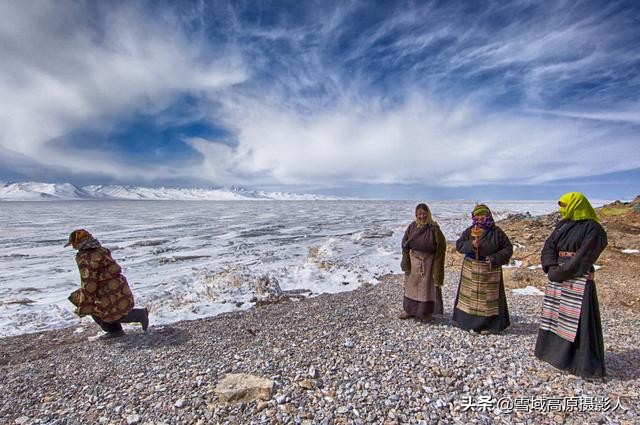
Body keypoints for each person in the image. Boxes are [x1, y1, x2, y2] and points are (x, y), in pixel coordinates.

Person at [535, 192, 607, 379]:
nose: (561, 210)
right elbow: (549, 245)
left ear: (576, 205)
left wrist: (560, 272)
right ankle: (554, 354)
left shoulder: (594, 229)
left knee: (577, 321)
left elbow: (584, 256)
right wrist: (550, 266)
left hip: (577, 278)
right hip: (558, 275)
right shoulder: (563, 225)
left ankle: (580, 363)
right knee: (556, 317)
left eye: (565, 206)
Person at [65, 229, 149, 338]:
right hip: (118, 285)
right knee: (115, 311)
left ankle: (121, 327)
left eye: (73, 244)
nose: (73, 247)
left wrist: (85, 303)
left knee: (99, 309)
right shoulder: (100, 249)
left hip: (106, 290)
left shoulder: (86, 256)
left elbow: (89, 281)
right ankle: (134, 318)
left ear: (78, 242)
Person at [452, 204, 513, 334]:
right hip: (471, 268)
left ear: (489, 215)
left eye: (483, 214)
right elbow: (459, 245)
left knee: (488, 300)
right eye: (477, 215)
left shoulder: (497, 232)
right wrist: (472, 245)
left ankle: (489, 326)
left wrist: (494, 258)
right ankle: (467, 323)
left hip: (490, 270)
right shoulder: (470, 231)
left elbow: (508, 249)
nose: (480, 218)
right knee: (469, 298)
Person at [400, 203, 446, 321]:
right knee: (412, 287)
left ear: (428, 214)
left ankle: (426, 313)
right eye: (419, 214)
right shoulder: (412, 227)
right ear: (416, 215)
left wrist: (438, 270)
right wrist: (405, 261)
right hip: (414, 260)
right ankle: (409, 310)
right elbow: (405, 244)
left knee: (427, 288)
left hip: (429, 262)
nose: (422, 216)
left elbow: (441, 248)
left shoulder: (434, 228)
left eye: (424, 214)